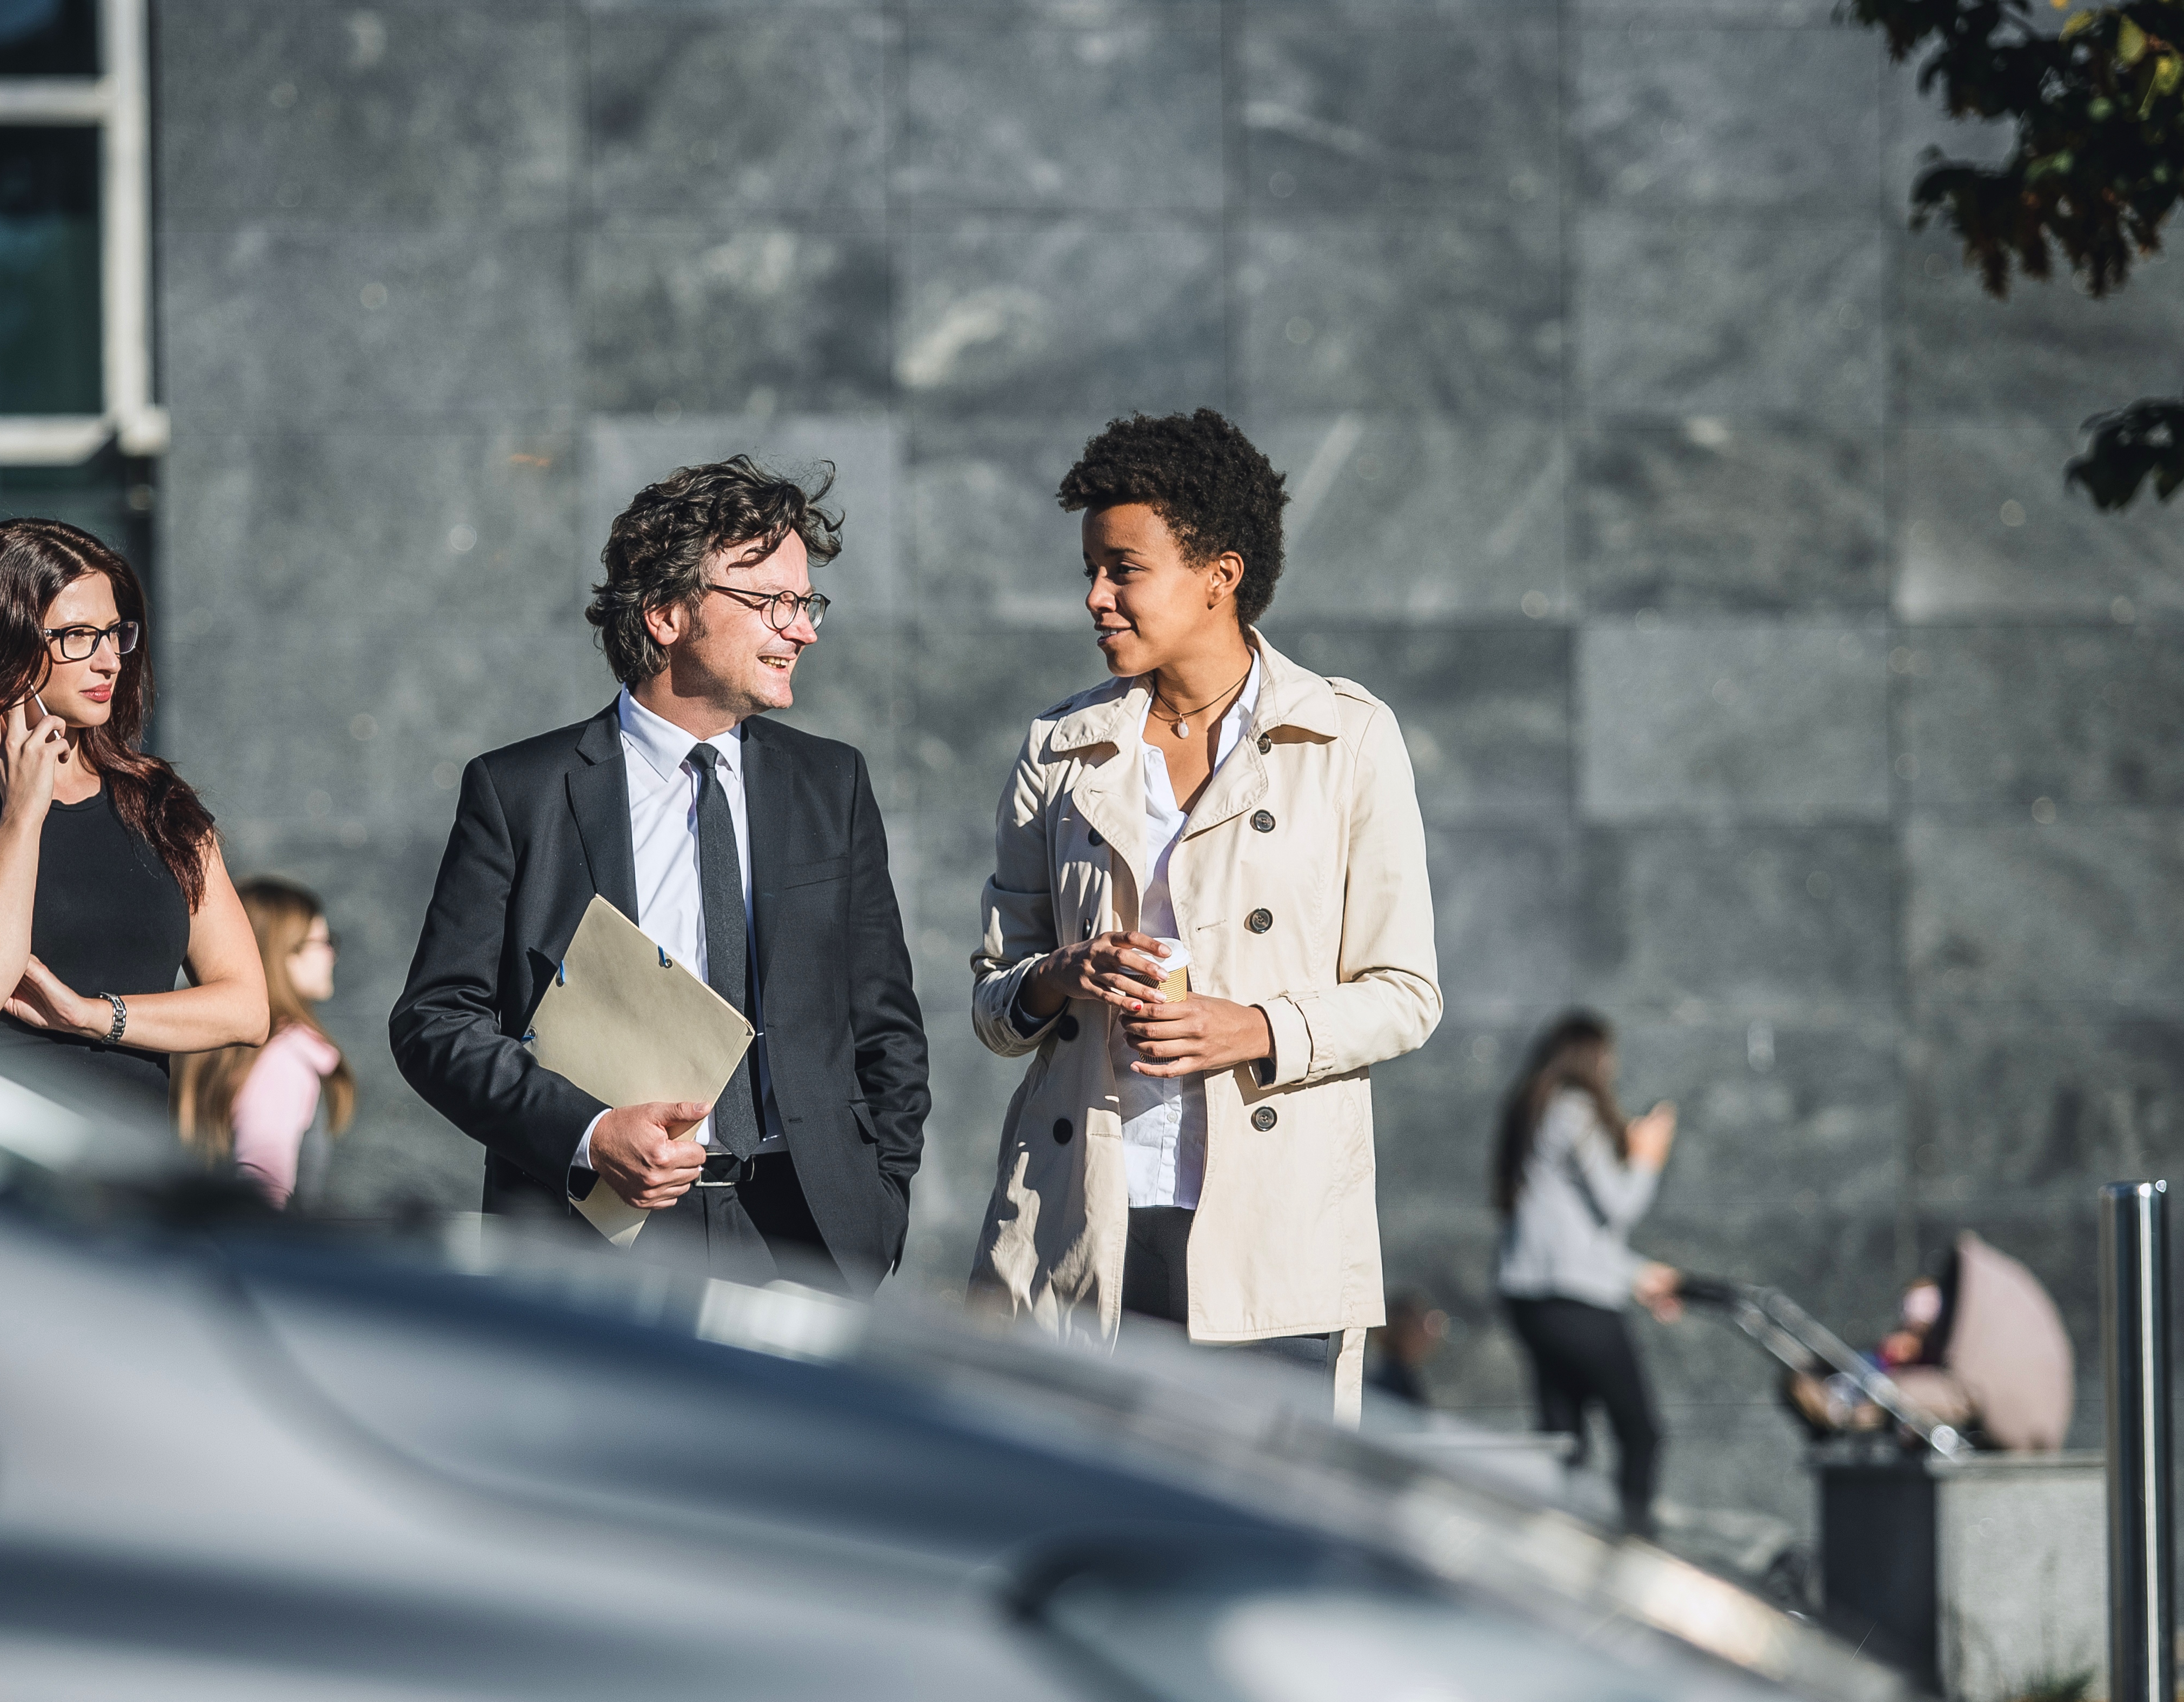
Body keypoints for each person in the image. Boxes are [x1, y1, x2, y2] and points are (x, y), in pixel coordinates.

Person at [966, 408, 1440, 1413]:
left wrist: (1255, 1027)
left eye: (1123, 569)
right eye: (1090, 569)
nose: (1094, 596)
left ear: (1219, 574)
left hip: (1270, 1229)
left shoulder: (1343, 737)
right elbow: (993, 1000)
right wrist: (1058, 974)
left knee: (1258, 1506)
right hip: (1078, 1217)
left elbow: (1406, 993)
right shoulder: (1060, 747)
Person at [391, 456, 930, 1293]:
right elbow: (435, 1022)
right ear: (667, 613)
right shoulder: (521, 792)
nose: (803, 630)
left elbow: (885, 1024)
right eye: (773, 603)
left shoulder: (831, 783)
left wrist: (879, 1208)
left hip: (805, 1235)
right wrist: (588, 1133)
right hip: (593, 1239)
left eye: (806, 603)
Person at [0, 518, 267, 1115]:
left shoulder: (158, 803)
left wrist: (93, 1016)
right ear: (6, 644)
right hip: (8, 1155)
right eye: (79, 636)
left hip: (138, 1157)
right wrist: (22, 814)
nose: (110, 661)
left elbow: (247, 1008)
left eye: (114, 633)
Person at [1491, 1011, 1682, 1536]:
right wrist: (1647, 1156)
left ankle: (1561, 1551)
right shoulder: (1574, 1111)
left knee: (1564, 1441)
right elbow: (1620, 1204)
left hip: (1529, 1299)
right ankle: (1631, 1552)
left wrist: (1636, 1274)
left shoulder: (1532, 1111)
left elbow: (1564, 1229)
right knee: (1640, 1433)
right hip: (1575, 1301)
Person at [1783, 1231, 2072, 1451]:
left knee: (1901, 1391)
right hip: (1892, 1371)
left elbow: (1928, 1387)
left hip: (1949, 1385)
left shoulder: (1964, 1376)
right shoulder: (1932, 1342)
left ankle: (1841, 1404)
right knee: (1875, 1374)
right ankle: (1833, 1390)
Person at [179, 877, 355, 1209]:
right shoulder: (283, 1061)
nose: (332, 955)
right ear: (281, 953)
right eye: (324, 942)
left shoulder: (222, 1046)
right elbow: (263, 1188)